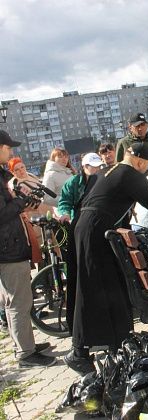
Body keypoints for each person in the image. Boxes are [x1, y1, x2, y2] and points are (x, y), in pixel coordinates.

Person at [65, 143, 148, 375]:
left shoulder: (107, 170)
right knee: (92, 288)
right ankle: (78, 352)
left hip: (86, 228)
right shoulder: (131, 175)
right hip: (95, 231)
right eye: (146, 165)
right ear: (138, 161)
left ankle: (118, 342)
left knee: (107, 286)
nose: (145, 170)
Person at [0, 130, 55, 368]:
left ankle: (24, 344)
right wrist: (21, 202)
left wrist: (21, 199)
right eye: (8, 147)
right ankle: (25, 353)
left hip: (9, 245)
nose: (11, 151)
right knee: (18, 301)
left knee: (14, 300)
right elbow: (2, 214)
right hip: (7, 249)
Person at [57, 152, 103, 334]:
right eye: (92, 166)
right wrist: (65, 213)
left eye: (98, 166)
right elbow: (64, 202)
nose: (96, 169)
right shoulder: (73, 183)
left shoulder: (102, 179)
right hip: (79, 225)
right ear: (84, 167)